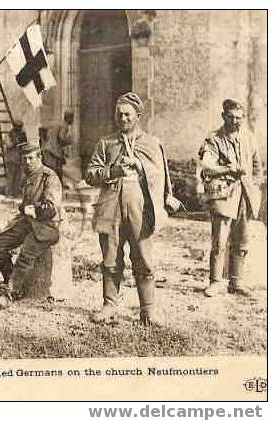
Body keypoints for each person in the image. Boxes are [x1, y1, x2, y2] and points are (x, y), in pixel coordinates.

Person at [86, 92, 179, 326]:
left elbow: (162, 176)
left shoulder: (152, 143)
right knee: (110, 259)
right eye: (119, 114)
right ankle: (109, 306)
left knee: (143, 260)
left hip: (141, 210)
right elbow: (90, 175)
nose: (123, 118)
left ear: (138, 116)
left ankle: (148, 310)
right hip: (111, 209)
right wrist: (113, 170)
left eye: (128, 114)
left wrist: (141, 166)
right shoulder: (105, 143)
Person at [0, 134, 63, 309]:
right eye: (25, 159)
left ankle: (10, 294)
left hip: (46, 226)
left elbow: (51, 208)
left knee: (25, 256)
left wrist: (32, 209)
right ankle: (12, 280)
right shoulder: (27, 177)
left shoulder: (49, 177)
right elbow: (24, 205)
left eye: (31, 158)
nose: (28, 162)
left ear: (39, 157)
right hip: (27, 222)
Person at [200, 99, 263, 297]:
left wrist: (255, 185)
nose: (235, 121)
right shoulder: (213, 139)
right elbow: (206, 166)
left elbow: (257, 166)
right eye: (231, 117)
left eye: (238, 118)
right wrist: (228, 169)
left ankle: (236, 281)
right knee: (219, 240)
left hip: (245, 194)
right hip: (223, 194)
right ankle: (216, 281)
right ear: (223, 116)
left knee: (242, 239)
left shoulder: (249, 138)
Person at [42, 110, 74, 183]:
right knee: (55, 172)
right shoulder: (64, 125)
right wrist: (69, 141)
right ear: (68, 118)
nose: (72, 121)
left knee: (49, 171)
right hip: (53, 152)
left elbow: (44, 130)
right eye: (72, 118)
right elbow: (61, 138)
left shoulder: (57, 124)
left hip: (48, 149)